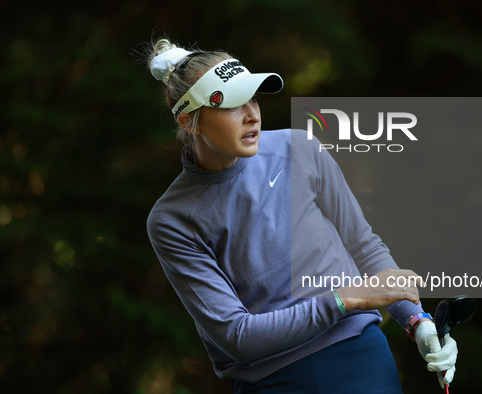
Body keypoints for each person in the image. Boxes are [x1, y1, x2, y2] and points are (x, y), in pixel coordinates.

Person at [145, 37, 459, 393]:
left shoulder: (299, 147)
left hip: (361, 362)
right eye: (231, 104)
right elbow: (236, 337)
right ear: (190, 122)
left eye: (252, 97)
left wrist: (419, 322)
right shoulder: (172, 218)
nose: (251, 114)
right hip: (272, 384)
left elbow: (364, 246)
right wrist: (347, 299)